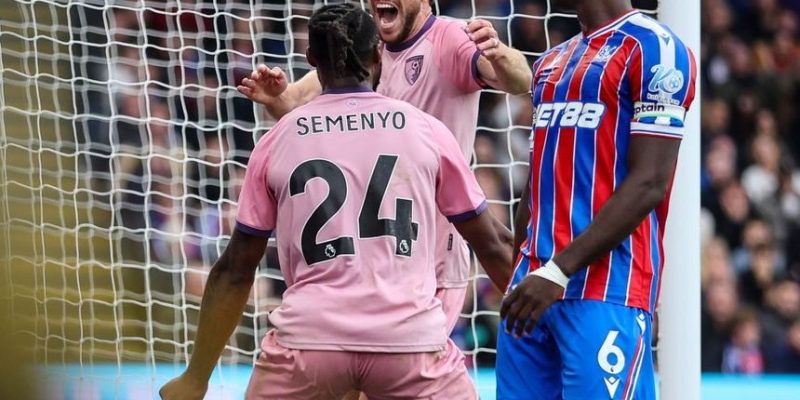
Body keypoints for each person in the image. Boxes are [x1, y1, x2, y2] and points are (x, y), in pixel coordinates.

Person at [159, 4, 514, 400]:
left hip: (310, 341)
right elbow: (492, 243)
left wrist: (196, 378)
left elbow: (235, 269)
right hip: (408, 339)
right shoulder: (426, 129)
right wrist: (549, 317)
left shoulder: (278, 139)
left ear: (311, 60)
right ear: (379, 54)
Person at [238, 0, 531, 335]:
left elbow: (520, 80)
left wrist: (497, 52)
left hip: (431, 250)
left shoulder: (447, 38)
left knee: (405, 372)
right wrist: (275, 95)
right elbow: (295, 107)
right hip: (373, 250)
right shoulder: (363, 48)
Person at [499, 0, 697, 399]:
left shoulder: (655, 49)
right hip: (531, 289)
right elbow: (537, 183)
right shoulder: (550, 63)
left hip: (608, 290)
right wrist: (520, 270)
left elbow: (649, 182)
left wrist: (557, 271)